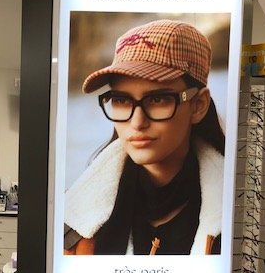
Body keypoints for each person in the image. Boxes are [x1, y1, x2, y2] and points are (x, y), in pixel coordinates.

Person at [64, 19, 224, 255]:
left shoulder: (238, 212)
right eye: (121, 100)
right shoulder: (77, 216)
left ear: (198, 105)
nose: (137, 122)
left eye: (157, 99)